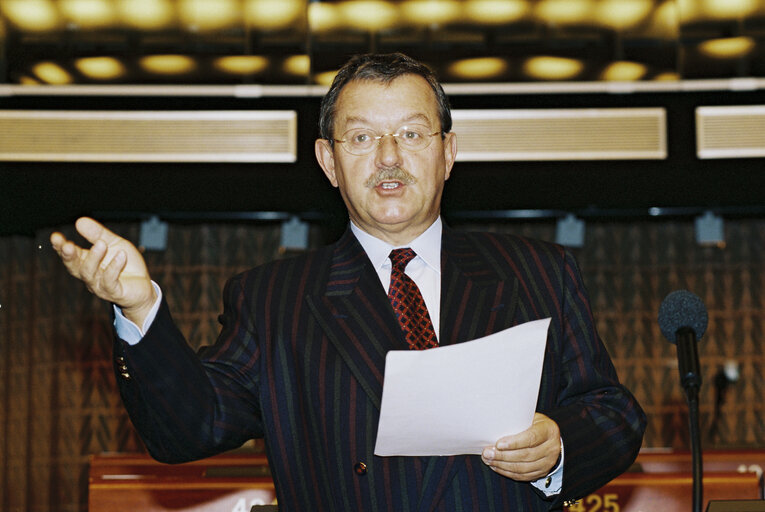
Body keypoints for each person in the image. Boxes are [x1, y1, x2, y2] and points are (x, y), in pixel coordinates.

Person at [51, 53, 646, 511]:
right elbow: (187, 428)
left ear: (448, 154)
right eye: (361, 138)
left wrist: (559, 444)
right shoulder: (272, 300)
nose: (389, 157)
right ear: (329, 162)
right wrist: (139, 308)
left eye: (413, 134)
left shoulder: (537, 272)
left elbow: (613, 412)